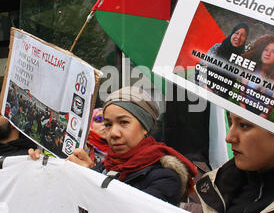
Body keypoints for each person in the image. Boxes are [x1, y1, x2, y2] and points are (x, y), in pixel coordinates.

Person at [30, 86, 198, 206]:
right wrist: (41, 167)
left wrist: (88, 177)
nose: (113, 133)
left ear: (145, 127)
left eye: (124, 122)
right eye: (108, 124)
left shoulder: (165, 178)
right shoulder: (104, 167)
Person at [239, 35, 274, 120]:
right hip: (242, 112)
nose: (268, 54)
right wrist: (244, 115)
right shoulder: (250, 69)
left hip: (260, 119)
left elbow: (267, 111)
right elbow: (241, 99)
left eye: (273, 52)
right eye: (266, 49)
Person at [195, 23, 249, 97]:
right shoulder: (217, 47)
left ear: (245, 39)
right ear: (232, 34)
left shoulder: (244, 57)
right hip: (202, 87)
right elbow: (202, 66)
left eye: (243, 35)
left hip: (221, 95)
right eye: (236, 33)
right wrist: (205, 88)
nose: (238, 37)